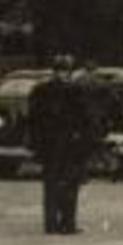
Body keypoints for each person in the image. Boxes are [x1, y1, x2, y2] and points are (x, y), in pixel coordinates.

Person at [28, 54, 83, 234]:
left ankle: (51, 224)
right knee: (69, 185)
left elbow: (33, 119)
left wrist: (36, 145)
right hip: (69, 146)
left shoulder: (40, 90)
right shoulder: (75, 91)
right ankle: (68, 223)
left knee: (51, 185)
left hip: (49, 146)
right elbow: (84, 120)